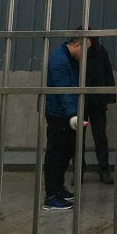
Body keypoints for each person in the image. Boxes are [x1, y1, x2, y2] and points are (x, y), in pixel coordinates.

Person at [42, 35, 91, 211]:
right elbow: (64, 90)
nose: (86, 54)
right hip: (58, 113)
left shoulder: (68, 59)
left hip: (63, 112)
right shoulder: (59, 61)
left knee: (64, 153)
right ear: (77, 45)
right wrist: (72, 114)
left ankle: (58, 189)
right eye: (85, 50)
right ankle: (51, 196)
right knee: (56, 153)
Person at [81, 33, 116, 185]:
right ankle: (79, 171)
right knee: (78, 138)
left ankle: (104, 170)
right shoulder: (81, 51)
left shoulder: (100, 51)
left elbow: (107, 71)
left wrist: (110, 95)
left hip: (96, 99)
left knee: (100, 136)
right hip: (82, 99)